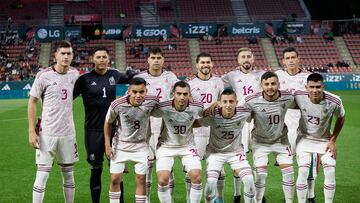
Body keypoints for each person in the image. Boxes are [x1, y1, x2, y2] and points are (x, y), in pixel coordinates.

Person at [73, 47, 136, 203]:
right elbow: (68, 99)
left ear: (109, 59)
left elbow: (132, 78)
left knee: (116, 170)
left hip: (114, 129)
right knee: (96, 169)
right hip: (92, 131)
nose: (101, 59)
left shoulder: (114, 74)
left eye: (104, 57)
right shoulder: (84, 79)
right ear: (92, 59)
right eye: (98, 57)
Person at [28, 40, 79, 203]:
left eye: (69, 53)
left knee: (69, 174)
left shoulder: (75, 74)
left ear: (72, 56)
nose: (66, 56)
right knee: (42, 175)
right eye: (62, 53)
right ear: (55, 55)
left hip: (68, 133)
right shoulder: (44, 75)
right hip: (47, 133)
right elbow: (32, 101)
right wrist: (31, 131)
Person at [104, 77, 159, 203]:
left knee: (141, 179)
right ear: (128, 91)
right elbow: (108, 123)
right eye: (134, 92)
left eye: (141, 92)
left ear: (146, 91)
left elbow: (167, 107)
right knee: (115, 179)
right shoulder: (117, 104)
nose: (138, 95)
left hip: (141, 146)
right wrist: (107, 145)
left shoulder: (153, 101)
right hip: (120, 145)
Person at [134, 46, 179, 202]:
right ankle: (145, 199)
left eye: (159, 58)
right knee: (147, 166)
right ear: (148, 60)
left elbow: (181, 93)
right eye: (153, 58)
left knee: (168, 167)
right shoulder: (140, 77)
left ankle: (169, 200)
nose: (156, 61)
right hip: (145, 128)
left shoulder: (170, 77)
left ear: (163, 60)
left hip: (166, 128)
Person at [221, 47, 265, 203]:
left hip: (259, 118)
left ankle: (258, 194)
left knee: (259, 157)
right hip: (239, 120)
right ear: (238, 60)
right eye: (243, 57)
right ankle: (237, 193)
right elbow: (216, 88)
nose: (246, 59)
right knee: (241, 155)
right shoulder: (230, 76)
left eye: (248, 56)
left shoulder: (261, 75)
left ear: (253, 58)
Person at [244, 72, 295, 203]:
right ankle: (258, 201)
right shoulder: (251, 101)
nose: (270, 87)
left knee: (289, 173)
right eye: (266, 84)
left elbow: (305, 101)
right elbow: (240, 115)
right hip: (260, 142)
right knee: (260, 174)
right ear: (261, 86)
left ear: (278, 84)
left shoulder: (288, 97)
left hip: (281, 141)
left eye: (273, 83)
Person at [197, 89, 255, 203]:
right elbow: (196, 123)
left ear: (236, 102)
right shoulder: (213, 115)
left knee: (249, 179)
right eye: (225, 101)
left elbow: (257, 114)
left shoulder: (244, 113)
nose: (228, 105)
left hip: (236, 152)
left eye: (231, 101)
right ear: (220, 102)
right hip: (215, 152)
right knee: (211, 182)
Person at [275, 47, 318, 203]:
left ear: (299, 58)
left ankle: (311, 196)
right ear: (283, 61)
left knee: (307, 164)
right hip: (285, 126)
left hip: (305, 126)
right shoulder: (278, 76)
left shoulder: (307, 78)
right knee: (286, 166)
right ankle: (289, 199)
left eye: (293, 57)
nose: (291, 60)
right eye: (288, 58)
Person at [294, 73, 345, 203]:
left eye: (318, 87)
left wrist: (333, 140)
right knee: (303, 170)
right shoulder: (298, 96)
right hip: (304, 139)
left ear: (323, 86)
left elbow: (341, 117)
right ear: (306, 87)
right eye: (311, 87)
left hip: (324, 140)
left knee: (330, 170)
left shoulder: (334, 101)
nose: (315, 90)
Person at [152, 81, 203, 203]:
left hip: (188, 145)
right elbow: (146, 112)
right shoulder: (163, 107)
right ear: (173, 94)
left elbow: (204, 116)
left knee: (197, 177)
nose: (182, 97)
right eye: (179, 94)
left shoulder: (197, 106)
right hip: (166, 146)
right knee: (163, 180)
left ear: (189, 94)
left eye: (185, 94)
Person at [186, 52, 224, 202]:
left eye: (208, 62)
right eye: (202, 62)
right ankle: (190, 199)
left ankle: (217, 199)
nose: (205, 65)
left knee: (217, 169)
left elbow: (223, 103)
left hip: (215, 131)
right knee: (191, 169)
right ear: (197, 65)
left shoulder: (219, 82)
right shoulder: (190, 84)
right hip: (196, 131)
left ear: (212, 64)